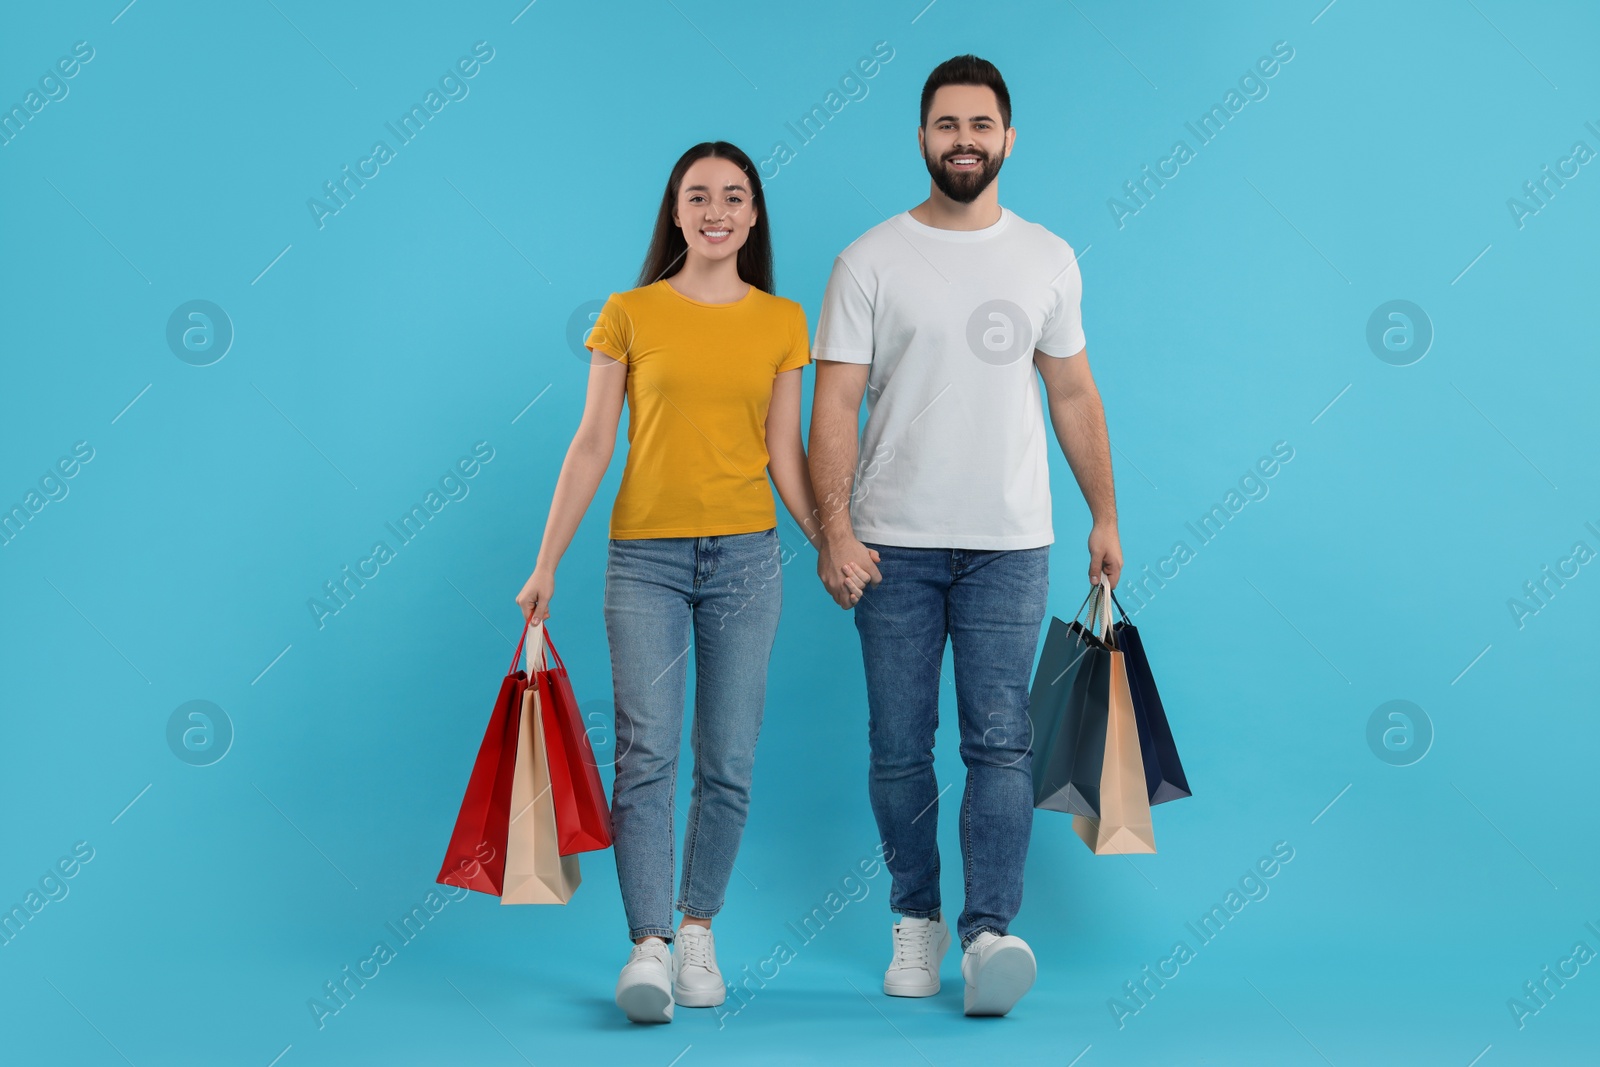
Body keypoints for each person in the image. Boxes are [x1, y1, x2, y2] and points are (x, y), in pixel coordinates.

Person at [516, 142, 868, 1024]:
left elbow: (783, 452)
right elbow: (594, 441)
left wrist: (832, 538)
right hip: (644, 561)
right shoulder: (629, 314)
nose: (716, 210)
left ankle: (698, 925)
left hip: (747, 561)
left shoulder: (784, 321)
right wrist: (546, 559)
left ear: (753, 217)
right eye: (698, 196)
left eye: (734, 197)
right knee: (646, 754)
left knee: (731, 760)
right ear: (675, 212)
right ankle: (649, 944)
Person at [808, 55, 1124, 1017]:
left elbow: (1070, 390)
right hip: (890, 543)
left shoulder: (1048, 258)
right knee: (900, 746)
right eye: (947, 125)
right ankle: (917, 920)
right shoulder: (869, 259)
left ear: (1008, 138)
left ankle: (989, 934)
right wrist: (833, 528)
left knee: (1002, 743)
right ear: (921, 138)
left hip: (1011, 543)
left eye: (980, 125)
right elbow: (834, 407)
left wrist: (1105, 512)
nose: (964, 141)